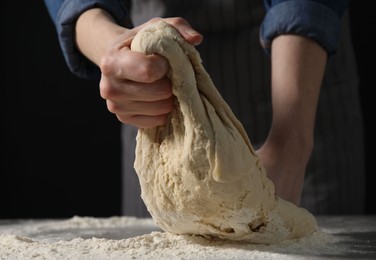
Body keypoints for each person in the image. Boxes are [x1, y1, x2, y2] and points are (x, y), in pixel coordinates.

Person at [43, 0, 365, 216]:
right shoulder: (145, 77)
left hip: (298, 74)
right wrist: (117, 50)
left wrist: (292, 142)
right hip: (153, 88)